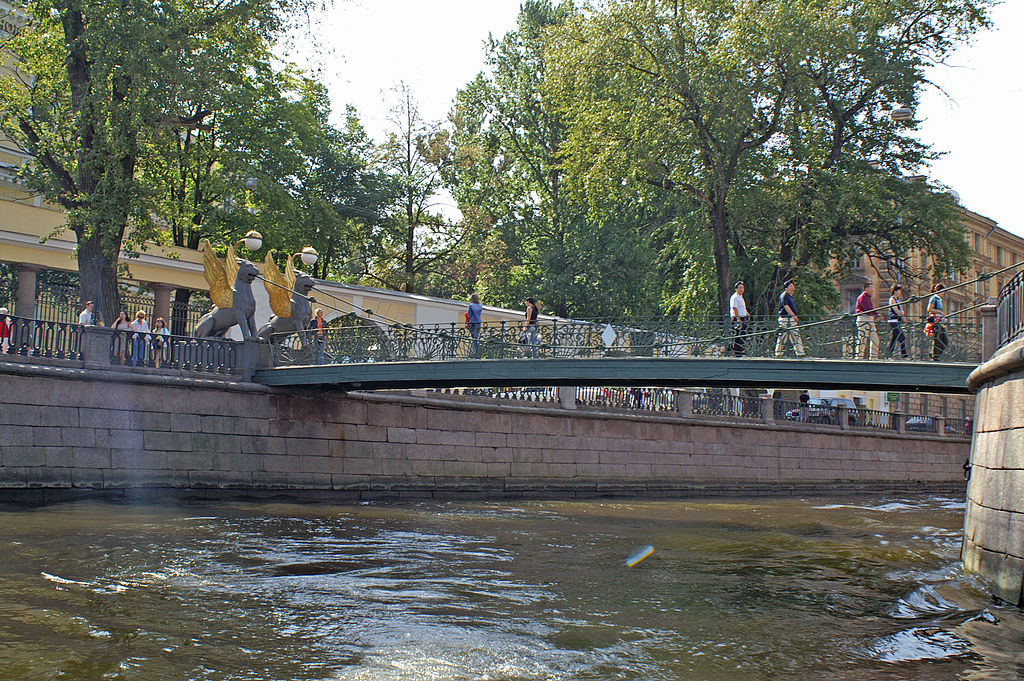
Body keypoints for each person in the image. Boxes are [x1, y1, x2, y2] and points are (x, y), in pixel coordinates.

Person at [774, 280, 805, 357]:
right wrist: (793, 315)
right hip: (785, 319)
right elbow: (786, 306)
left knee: (795, 334)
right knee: (783, 335)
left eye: (792, 286)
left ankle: (800, 352)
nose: (792, 288)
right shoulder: (784, 295)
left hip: (790, 319)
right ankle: (778, 353)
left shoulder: (790, 296)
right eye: (790, 286)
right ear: (786, 288)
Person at [854, 281, 880, 360]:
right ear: (866, 288)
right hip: (863, 319)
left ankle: (874, 357)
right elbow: (868, 309)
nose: (872, 290)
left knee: (875, 339)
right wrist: (876, 314)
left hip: (869, 319)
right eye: (871, 288)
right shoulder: (862, 297)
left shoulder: (867, 297)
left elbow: (870, 309)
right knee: (862, 339)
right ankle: (859, 357)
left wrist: (875, 314)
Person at [885, 284, 909, 359]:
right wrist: (900, 313)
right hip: (892, 321)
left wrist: (904, 319)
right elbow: (897, 310)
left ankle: (888, 354)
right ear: (895, 291)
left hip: (897, 321)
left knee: (894, 338)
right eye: (899, 291)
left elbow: (902, 311)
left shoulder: (898, 300)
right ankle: (904, 355)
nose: (900, 293)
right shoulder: (892, 299)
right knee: (902, 337)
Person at [927, 283, 949, 361]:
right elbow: (929, 309)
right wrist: (940, 313)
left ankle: (934, 355)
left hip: (940, 322)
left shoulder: (939, 299)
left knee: (945, 341)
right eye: (943, 291)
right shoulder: (934, 298)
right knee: (938, 340)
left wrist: (943, 318)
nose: (944, 293)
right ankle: (935, 356)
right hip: (935, 322)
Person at [730, 281, 748, 357]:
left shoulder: (740, 297)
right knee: (737, 335)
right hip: (737, 318)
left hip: (742, 318)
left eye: (742, 288)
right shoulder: (735, 297)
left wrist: (746, 313)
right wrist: (738, 318)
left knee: (742, 335)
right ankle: (736, 352)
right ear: (736, 289)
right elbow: (734, 308)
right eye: (740, 288)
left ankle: (741, 350)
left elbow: (742, 307)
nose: (741, 289)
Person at [467, 293, 483, 358]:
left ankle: (475, 353)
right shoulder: (480, 305)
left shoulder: (471, 305)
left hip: (472, 322)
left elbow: (469, 315)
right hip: (478, 322)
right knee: (477, 337)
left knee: (474, 338)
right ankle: (477, 352)